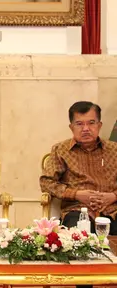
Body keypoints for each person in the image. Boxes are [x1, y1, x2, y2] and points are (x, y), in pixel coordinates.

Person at [40, 101, 117, 288]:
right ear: (71, 127)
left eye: (91, 123)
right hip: (78, 211)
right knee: (78, 239)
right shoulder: (60, 150)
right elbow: (46, 182)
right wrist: (76, 194)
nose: (86, 129)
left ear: (99, 125)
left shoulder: (114, 150)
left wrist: (114, 196)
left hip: (113, 210)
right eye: (79, 124)